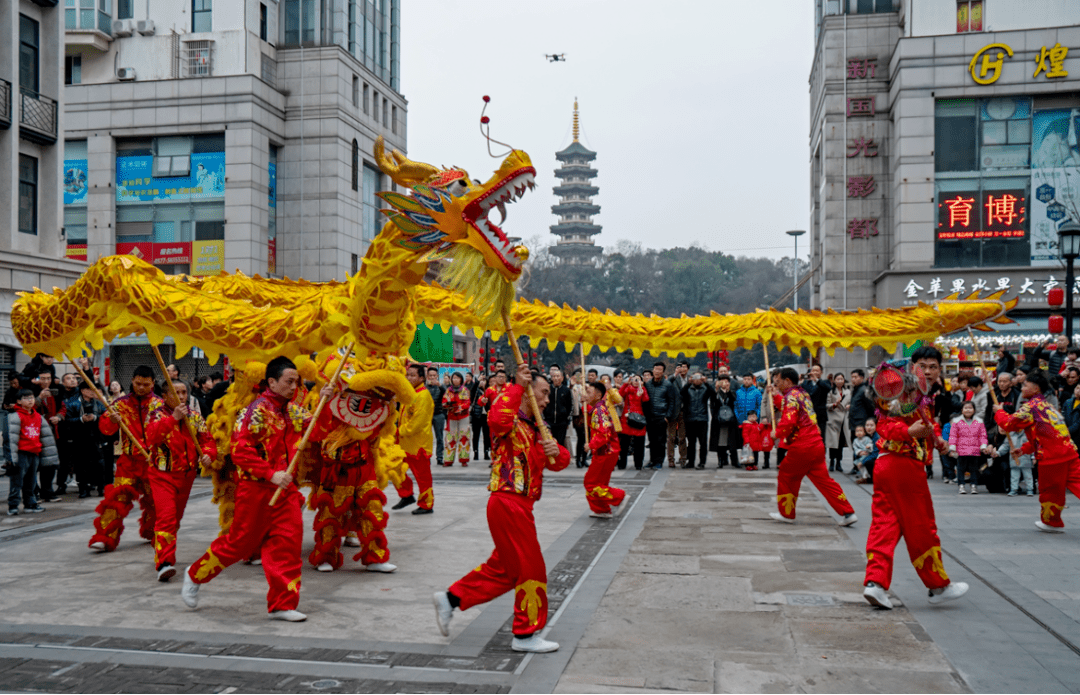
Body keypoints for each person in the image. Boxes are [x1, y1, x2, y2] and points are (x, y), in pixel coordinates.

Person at [433, 365, 571, 653]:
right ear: (528, 392)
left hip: (519, 505)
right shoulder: (508, 418)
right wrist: (515, 387)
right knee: (531, 568)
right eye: (543, 393)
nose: (547, 400)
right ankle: (525, 634)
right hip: (509, 502)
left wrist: (557, 451)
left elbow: (557, 463)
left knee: (505, 570)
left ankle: (452, 598)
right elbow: (496, 420)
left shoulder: (534, 426)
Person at [182, 356, 317, 622]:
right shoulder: (255, 410)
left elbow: (317, 425)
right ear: (272, 382)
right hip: (256, 489)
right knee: (239, 544)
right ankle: (196, 573)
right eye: (289, 382)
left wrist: (327, 398)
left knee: (288, 545)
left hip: (286, 491)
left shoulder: (292, 410)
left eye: (297, 382)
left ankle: (282, 603)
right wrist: (269, 473)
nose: (294, 387)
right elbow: (240, 452)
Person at [863, 348, 969, 610]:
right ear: (913, 367)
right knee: (921, 525)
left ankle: (875, 584)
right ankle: (938, 585)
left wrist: (938, 441)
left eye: (934, 366)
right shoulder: (905, 392)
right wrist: (908, 431)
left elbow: (925, 428)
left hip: (888, 466)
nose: (929, 371)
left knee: (885, 524)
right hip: (903, 467)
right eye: (923, 366)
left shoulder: (924, 397)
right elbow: (886, 422)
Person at [145, 380, 217, 582]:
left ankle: (161, 544)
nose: (182, 397)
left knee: (175, 519)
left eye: (184, 392)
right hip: (162, 475)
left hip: (186, 475)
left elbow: (208, 440)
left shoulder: (194, 417)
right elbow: (152, 437)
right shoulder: (156, 415)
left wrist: (209, 454)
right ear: (165, 396)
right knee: (167, 517)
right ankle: (165, 562)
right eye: (176, 393)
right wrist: (173, 419)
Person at [89, 366, 164, 552]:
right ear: (132, 381)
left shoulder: (160, 405)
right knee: (117, 498)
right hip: (128, 461)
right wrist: (112, 421)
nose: (141, 387)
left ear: (153, 383)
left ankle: (152, 531)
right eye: (138, 383)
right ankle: (104, 537)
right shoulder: (119, 404)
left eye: (146, 384)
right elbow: (105, 430)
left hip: (153, 461)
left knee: (156, 500)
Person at [994, 370, 1080, 533]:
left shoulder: (1032, 407)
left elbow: (1009, 423)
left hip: (1053, 458)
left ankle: (1051, 522)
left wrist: (998, 411)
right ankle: (1051, 521)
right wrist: (1024, 449)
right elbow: (1043, 435)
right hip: (1069, 452)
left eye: (1025, 384)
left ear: (1036, 388)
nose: (1022, 386)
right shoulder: (1048, 407)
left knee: (1050, 492)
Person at [768, 368, 856, 526]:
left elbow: (789, 420)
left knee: (786, 475)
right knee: (824, 481)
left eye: (779, 381)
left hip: (803, 445)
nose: (777, 383)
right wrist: (775, 396)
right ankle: (848, 512)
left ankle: (786, 513)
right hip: (816, 443)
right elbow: (789, 409)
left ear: (788, 381)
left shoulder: (791, 397)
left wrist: (778, 433)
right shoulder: (802, 393)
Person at [393, 363, 436, 514]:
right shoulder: (409, 393)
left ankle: (426, 504)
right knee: (394, 468)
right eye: (408, 374)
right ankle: (406, 494)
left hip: (418, 444)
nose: (409, 378)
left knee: (422, 477)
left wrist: (397, 432)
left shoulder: (423, 395)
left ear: (421, 378)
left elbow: (415, 424)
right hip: (404, 442)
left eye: (413, 375)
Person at [7, 389, 57, 515]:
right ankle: (13, 506)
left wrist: (48, 457)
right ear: (19, 401)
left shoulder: (38, 417)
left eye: (32, 398)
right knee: (17, 481)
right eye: (26, 398)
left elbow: (46, 438)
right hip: (21, 453)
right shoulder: (15, 417)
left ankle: (30, 504)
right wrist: (11, 457)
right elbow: (11, 439)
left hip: (34, 453)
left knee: (31, 481)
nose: (30, 400)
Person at [583, 380, 624, 519]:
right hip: (606, 451)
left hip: (606, 452)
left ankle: (618, 496)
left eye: (589, 392)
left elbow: (604, 433)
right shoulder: (596, 408)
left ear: (598, 394)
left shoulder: (599, 411)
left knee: (591, 483)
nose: (586, 394)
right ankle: (602, 509)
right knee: (598, 484)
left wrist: (591, 445)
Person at [63, 381, 108, 498]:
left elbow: (106, 417)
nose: (93, 392)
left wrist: (95, 417)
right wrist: (81, 419)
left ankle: (101, 488)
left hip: (96, 438)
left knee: (100, 464)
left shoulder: (99, 403)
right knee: (81, 465)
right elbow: (67, 421)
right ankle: (83, 489)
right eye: (90, 389)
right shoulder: (73, 404)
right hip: (80, 438)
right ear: (83, 391)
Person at [643, 362, 679, 469]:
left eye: (659, 370)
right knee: (652, 440)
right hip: (650, 416)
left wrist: (667, 416)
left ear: (663, 372)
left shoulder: (667, 385)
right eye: (655, 369)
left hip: (661, 416)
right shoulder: (648, 384)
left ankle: (659, 461)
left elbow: (672, 402)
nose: (657, 371)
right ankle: (652, 460)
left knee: (660, 440)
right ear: (653, 370)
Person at [949, 401, 987, 495]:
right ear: (962, 410)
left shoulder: (979, 421)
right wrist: (952, 447)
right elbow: (953, 435)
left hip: (974, 449)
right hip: (961, 450)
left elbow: (982, 435)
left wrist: (983, 446)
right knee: (961, 468)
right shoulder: (957, 422)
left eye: (970, 408)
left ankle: (974, 485)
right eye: (965, 408)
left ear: (974, 410)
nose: (968, 410)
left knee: (974, 468)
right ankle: (961, 485)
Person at [53, 372, 80, 495]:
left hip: (79, 430)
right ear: (63, 382)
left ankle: (82, 484)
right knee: (63, 461)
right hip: (63, 431)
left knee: (80, 459)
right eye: (69, 378)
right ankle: (61, 484)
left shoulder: (80, 393)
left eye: (74, 378)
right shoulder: (59, 394)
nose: (72, 380)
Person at [682, 371, 712, 470]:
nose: (697, 379)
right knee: (691, 443)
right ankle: (690, 462)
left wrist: (706, 382)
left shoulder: (705, 388)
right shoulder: (688, 389)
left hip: (702, 419)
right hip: (690, 419)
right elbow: (681, 394)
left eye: (699, 377)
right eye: (695, 377)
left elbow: (713, 394)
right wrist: (688, 383)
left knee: (703, 442)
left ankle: (702, 462)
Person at [619, 374, 649, 470]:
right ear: (631, 380)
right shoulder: (627, 389)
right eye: (634, 379)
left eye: (638, 379)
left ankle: (638, 464)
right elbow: (620, 395)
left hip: (639, 419)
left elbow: (646, 399)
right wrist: (625, 384)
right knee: (624, 444)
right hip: (627, 418)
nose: (636, 381)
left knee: (639, 444)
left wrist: (642, 388)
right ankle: (622, 464)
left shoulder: (642, 390)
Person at [442, 372, 472, 467]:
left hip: (463, 416)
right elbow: (444, 401)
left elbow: (467, 402)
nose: (455, 380)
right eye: (454, 378)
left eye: (457, 378)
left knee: (464, 437)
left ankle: (464, 460)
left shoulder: (465, 390)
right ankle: (448, 460)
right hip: (451, 417)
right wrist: (448, 405)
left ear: (461, 380)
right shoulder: (448, 391)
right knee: (450, 438)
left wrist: (459, 407)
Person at [710, 374, 739, 468]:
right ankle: (721, 461)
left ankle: (734, 461)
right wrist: (716, 390)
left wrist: (728, 390)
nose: (724, 383)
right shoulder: (716, 392)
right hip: (719, 421)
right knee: (720, 441)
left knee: (732, 441)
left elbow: (734, 400)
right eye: (722, 381)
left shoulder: (731, 392)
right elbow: (712, 403)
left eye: (726, 381)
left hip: (730, 420)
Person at [998, 427, 1034, 497]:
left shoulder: (1028, 433)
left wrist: (1033, 457)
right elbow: (1005, 445)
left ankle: (1030, 489)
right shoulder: (1010, 434)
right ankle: (1014, 489)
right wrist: (999, 452)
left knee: (1028, 476)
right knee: (1014, 476)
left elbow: (1032, 445)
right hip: (1014, 459)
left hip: (1025, 458)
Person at [825, 373, 850, 473]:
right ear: (834, 380)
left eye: (841, 379)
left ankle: (839, 462)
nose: (840, 381)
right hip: (833, 419)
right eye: (838, 379)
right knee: (833, 443)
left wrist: (849, 406)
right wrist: (835, 404)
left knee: (840, 443)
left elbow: (851, 402)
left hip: (844, 419)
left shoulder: (848, 392)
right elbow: (826, 405)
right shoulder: (831, 392)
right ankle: (831, 462)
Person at [543, 366, 572, 450]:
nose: (556, 378)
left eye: (558, 376)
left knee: (560, 443)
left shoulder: (566, 390)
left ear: (562, 378)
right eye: (554, 376)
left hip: (562, 422)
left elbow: (570, 406)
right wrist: (544, 418)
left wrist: (567, 420)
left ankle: (560, 461)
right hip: (549, 421)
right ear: (551, 378)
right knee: (550, 442)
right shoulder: (548, 390)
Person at [667, 362, 688, 467]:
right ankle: (671, 459)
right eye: (680, 367)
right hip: (673, 411)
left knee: (682, 437)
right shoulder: (674, 379)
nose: (682, 369)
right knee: (671, 437)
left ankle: (683, 458)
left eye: (685, 367)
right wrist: (675, 374)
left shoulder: (690, 380)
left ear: (688, 369)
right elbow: (667, 384)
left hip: (684, 412)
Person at [803, 364, 831, 441]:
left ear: (821, 372)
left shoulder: (825, 382)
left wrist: (816, 380)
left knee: (821, 438)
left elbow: (828, 389)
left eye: (817, 371)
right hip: (808, 415)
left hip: (820, 415)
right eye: (813, 370)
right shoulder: (805, 383)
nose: (814, 372)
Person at [426, 367, 446, 467]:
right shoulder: (424, 387)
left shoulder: (441, 387)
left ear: (437, 376)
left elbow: (447, 394)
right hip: (426, 415)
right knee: (427, 438)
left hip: (439, 414)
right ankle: (427, 457)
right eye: (431, 376)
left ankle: (440, 457)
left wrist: (441, 386)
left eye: (434, 376)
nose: (432, 377)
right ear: (427, 376)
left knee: (439, 437)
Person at [470, 375, 491, 460]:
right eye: (481, 381)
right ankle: (476, 452)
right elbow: (472, 391)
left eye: (484, 380)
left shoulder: (489, 391)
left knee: (486, 435)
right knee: (476, 435)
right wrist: (477, 382)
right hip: (477, 415)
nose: (482, 382)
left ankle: (486, 452)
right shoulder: (476, 391)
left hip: (486, 415)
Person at [1064, 382, 1080, 451]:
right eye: (1077, 388)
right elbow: (1062, 417)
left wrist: (1065, 431)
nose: (1078, 391)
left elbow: (1077, 425)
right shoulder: (1068, 402)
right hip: (1066, 435)